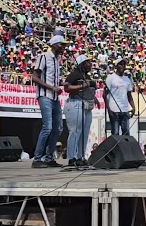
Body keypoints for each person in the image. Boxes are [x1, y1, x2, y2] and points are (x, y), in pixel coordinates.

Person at [31, 34, 69, 168]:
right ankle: (37, 159)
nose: (64, 47)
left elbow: (52, 78)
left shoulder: (57, 60)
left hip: (54, 97)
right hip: (45, 95)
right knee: (47, 127)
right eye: (61, 44)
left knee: (58, 128)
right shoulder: (44, 57)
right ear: (54, 44)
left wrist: (62, 83)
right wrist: (52, 87)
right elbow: (35, 77)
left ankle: (48, 157)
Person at [64, 54, 100, 166]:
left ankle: (80, 156)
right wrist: (83, 86)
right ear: (82, 64)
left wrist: (95, 98)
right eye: (88, 62)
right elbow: (67, 88)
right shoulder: (74, 75)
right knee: (75, 132)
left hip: (87, 106)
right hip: (75, 103)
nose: (90, 64)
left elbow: (88, 89)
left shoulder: (86, 76)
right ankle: (72, 157)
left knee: (84, 133)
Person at [105, 58, 135, 135]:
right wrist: (109, 109)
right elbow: (105, 94)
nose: (122, 66)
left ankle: (126, 147)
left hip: (125, 109)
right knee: (115, 133)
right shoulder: (110, 78)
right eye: (120, 64)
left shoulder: (127, 79)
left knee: (126, 133)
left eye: (124, 64)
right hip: (114, 109)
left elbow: (129, 95)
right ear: (116, 66)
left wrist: (133, 107)